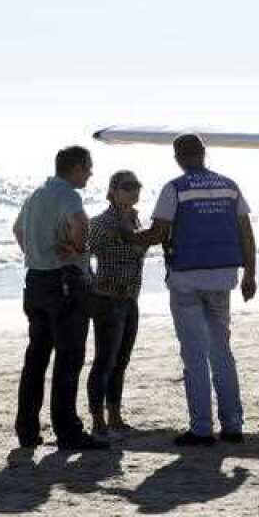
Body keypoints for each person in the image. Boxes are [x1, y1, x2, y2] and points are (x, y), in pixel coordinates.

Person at [131, 134, 257, 447]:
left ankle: (201, 428)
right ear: (203, 154)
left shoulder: (175, 188)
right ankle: (232, 424)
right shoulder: (229, 186)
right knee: (222, 350)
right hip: (223, 277)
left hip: (187, 278)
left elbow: (157, 233)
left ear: (177, 157)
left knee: (194, 355)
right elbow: (246, 232)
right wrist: (250, 274)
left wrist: (123, 234)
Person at [11, 146, 108, 451]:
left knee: (36, 357)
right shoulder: (68, 193)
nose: (91, 174)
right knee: (69, 357)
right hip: (63, 280)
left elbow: (17, 229)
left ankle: (27, 430)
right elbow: (80, 221)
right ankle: (68, 431)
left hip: (35, 280)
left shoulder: (37, 194)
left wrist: (36, 252)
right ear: (77, 167)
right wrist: (79, 249)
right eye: (88, 168)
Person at [85, 170, 148, 439]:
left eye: (137, 186)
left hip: (130, 297)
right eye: (127, 186)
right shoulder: (100, 222)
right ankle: (97, 418)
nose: (133, 191)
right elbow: (82, 254)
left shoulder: (135, 219)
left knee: (121, 359)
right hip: (108, 299)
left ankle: (115, 415)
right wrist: (93, 284)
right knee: (105, 359)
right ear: (113, 190)